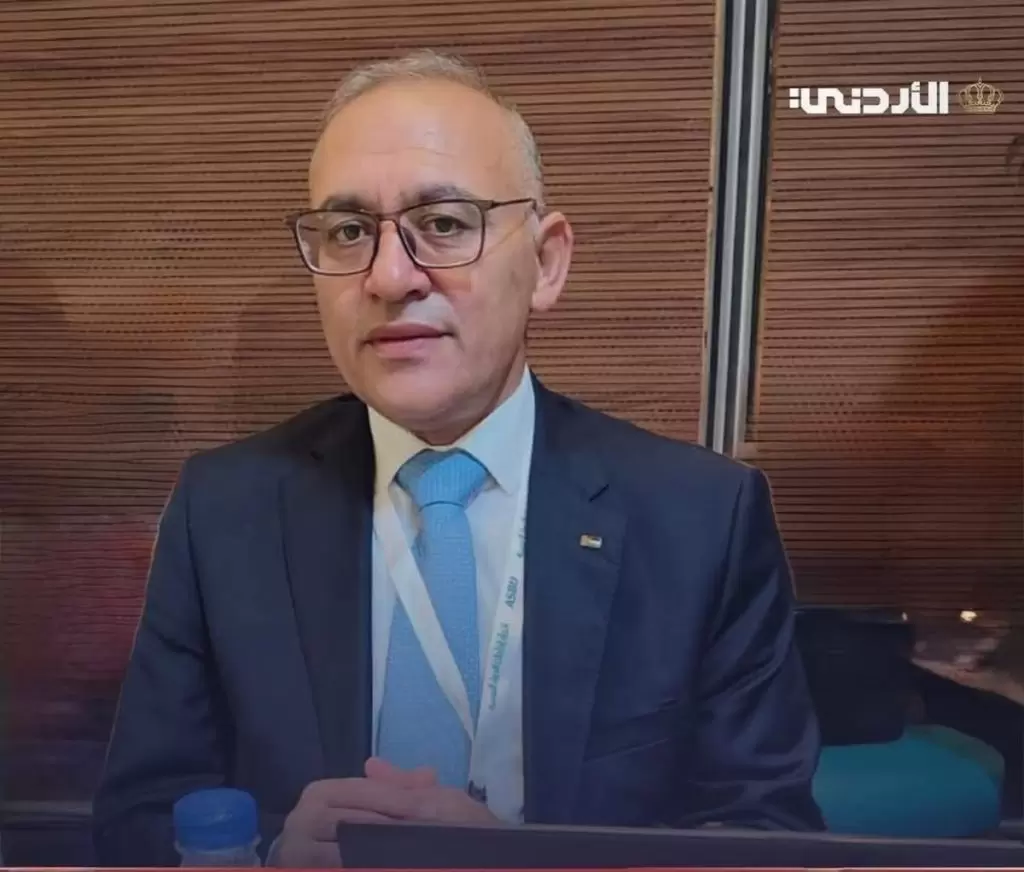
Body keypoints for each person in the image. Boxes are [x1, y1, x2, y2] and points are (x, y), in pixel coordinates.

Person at [92, 50, 824, 867]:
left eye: (443, 224)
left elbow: (767, 840)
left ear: (545, 263)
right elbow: (135, 825)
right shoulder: (225, 511)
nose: (389, 277)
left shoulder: (699, 520)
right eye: (348, 232)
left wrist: (525, 865)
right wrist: (265, 859)